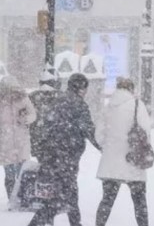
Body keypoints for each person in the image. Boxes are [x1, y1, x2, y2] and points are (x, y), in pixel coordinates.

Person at [28, 73, 100, 226]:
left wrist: (41, 149)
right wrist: (102, 147)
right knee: (66, 191)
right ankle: (39, 222)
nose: (85, 92)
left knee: (64, 190)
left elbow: (44, 126)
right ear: (80, 88)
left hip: (52, 154)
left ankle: (73, 222)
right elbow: (89, 130)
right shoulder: (79, 104)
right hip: (68, 155)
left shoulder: (57, 100)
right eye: (85, 88)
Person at [95, 77, 151, 226]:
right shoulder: (138, 105)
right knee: (139, 203)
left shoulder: (108, 108)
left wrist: (109, 148)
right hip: (133, 159)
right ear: (131, 89)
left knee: (107, 201)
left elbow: (98, 135)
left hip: (111, 162)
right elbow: (146, 132)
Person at [0, 76, 36, 199]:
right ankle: (11, 198)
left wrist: (26, 119)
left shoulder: (24, 100)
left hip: (22, 141)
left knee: (22, 174)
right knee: (9, 174)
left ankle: (22, 198)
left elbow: (33, 114)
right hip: (5, 143)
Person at [28, 68, 61, 161]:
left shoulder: (32, 96)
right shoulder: (60, 97)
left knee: (42, 163)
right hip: (55, 139)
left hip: (37, 138)